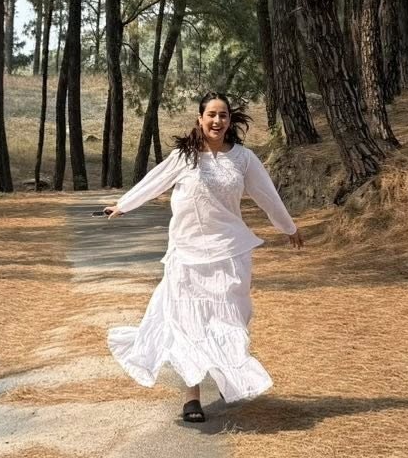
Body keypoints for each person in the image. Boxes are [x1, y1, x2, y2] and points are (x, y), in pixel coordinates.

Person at [104, 92, 303, 425]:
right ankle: (192, 396)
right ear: (200, 119)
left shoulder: (244, 159)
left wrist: (288, 227)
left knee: (230, 321)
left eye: (223, 115)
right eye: (211, 114)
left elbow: (267, 196)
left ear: (230, 120)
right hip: (187, 253)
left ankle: (227, 376)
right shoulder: (184, 157)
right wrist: (123, 205)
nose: (217, 121)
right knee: (188, 325)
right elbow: (154, 182)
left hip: (229, 252)